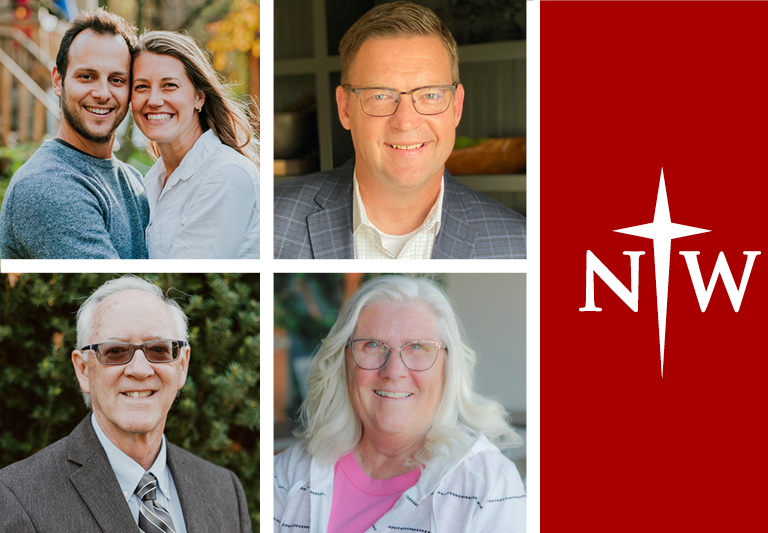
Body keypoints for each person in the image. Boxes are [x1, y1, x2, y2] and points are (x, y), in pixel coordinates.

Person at [274, 1, 526, 259]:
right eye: (380, 96)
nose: (405, 121)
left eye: (430, 94)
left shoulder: (520, 244)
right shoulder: (271, 222)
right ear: (345, 108)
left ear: (456, 106)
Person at [274, 276, 526, 532]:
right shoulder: (289, 473)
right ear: (344, 362)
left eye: (417, 347)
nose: (393, 371)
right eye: (372, 345)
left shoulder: (489, 484)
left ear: (447, 368)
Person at [0, 276, 251, 532]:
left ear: (182, 365)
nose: (140, 370)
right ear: (83, 369)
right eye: (116, 351)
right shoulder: (16, 497)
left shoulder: (224, 490)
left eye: (158, 350)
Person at [0, 9, 149, 259]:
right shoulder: (46, 184)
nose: (102, 93)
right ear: (58, 81)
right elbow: (118, 288)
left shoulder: (134, 180)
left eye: (117, 80)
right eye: (86, 76)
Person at [131, 31, 260, 259]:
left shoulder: (226, 175)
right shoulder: (152, 180)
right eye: (141, 87)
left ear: (199, 97)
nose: (154, 100)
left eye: (169, 85)